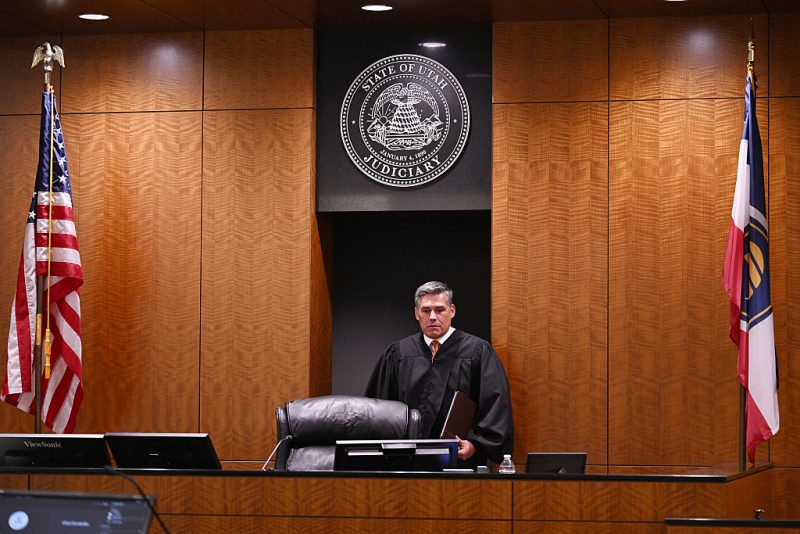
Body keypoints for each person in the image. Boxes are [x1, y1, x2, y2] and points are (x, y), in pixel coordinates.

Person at [364, 281, 514, 466]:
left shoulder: (477, 352)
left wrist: (475, 444)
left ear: (452, 311)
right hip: (405, 461)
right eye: (426, 311)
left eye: (439, 310)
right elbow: (378, 408)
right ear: (416, 313)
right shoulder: (398, 353)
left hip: (458, 459)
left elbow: (495, 405)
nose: (432, 317)